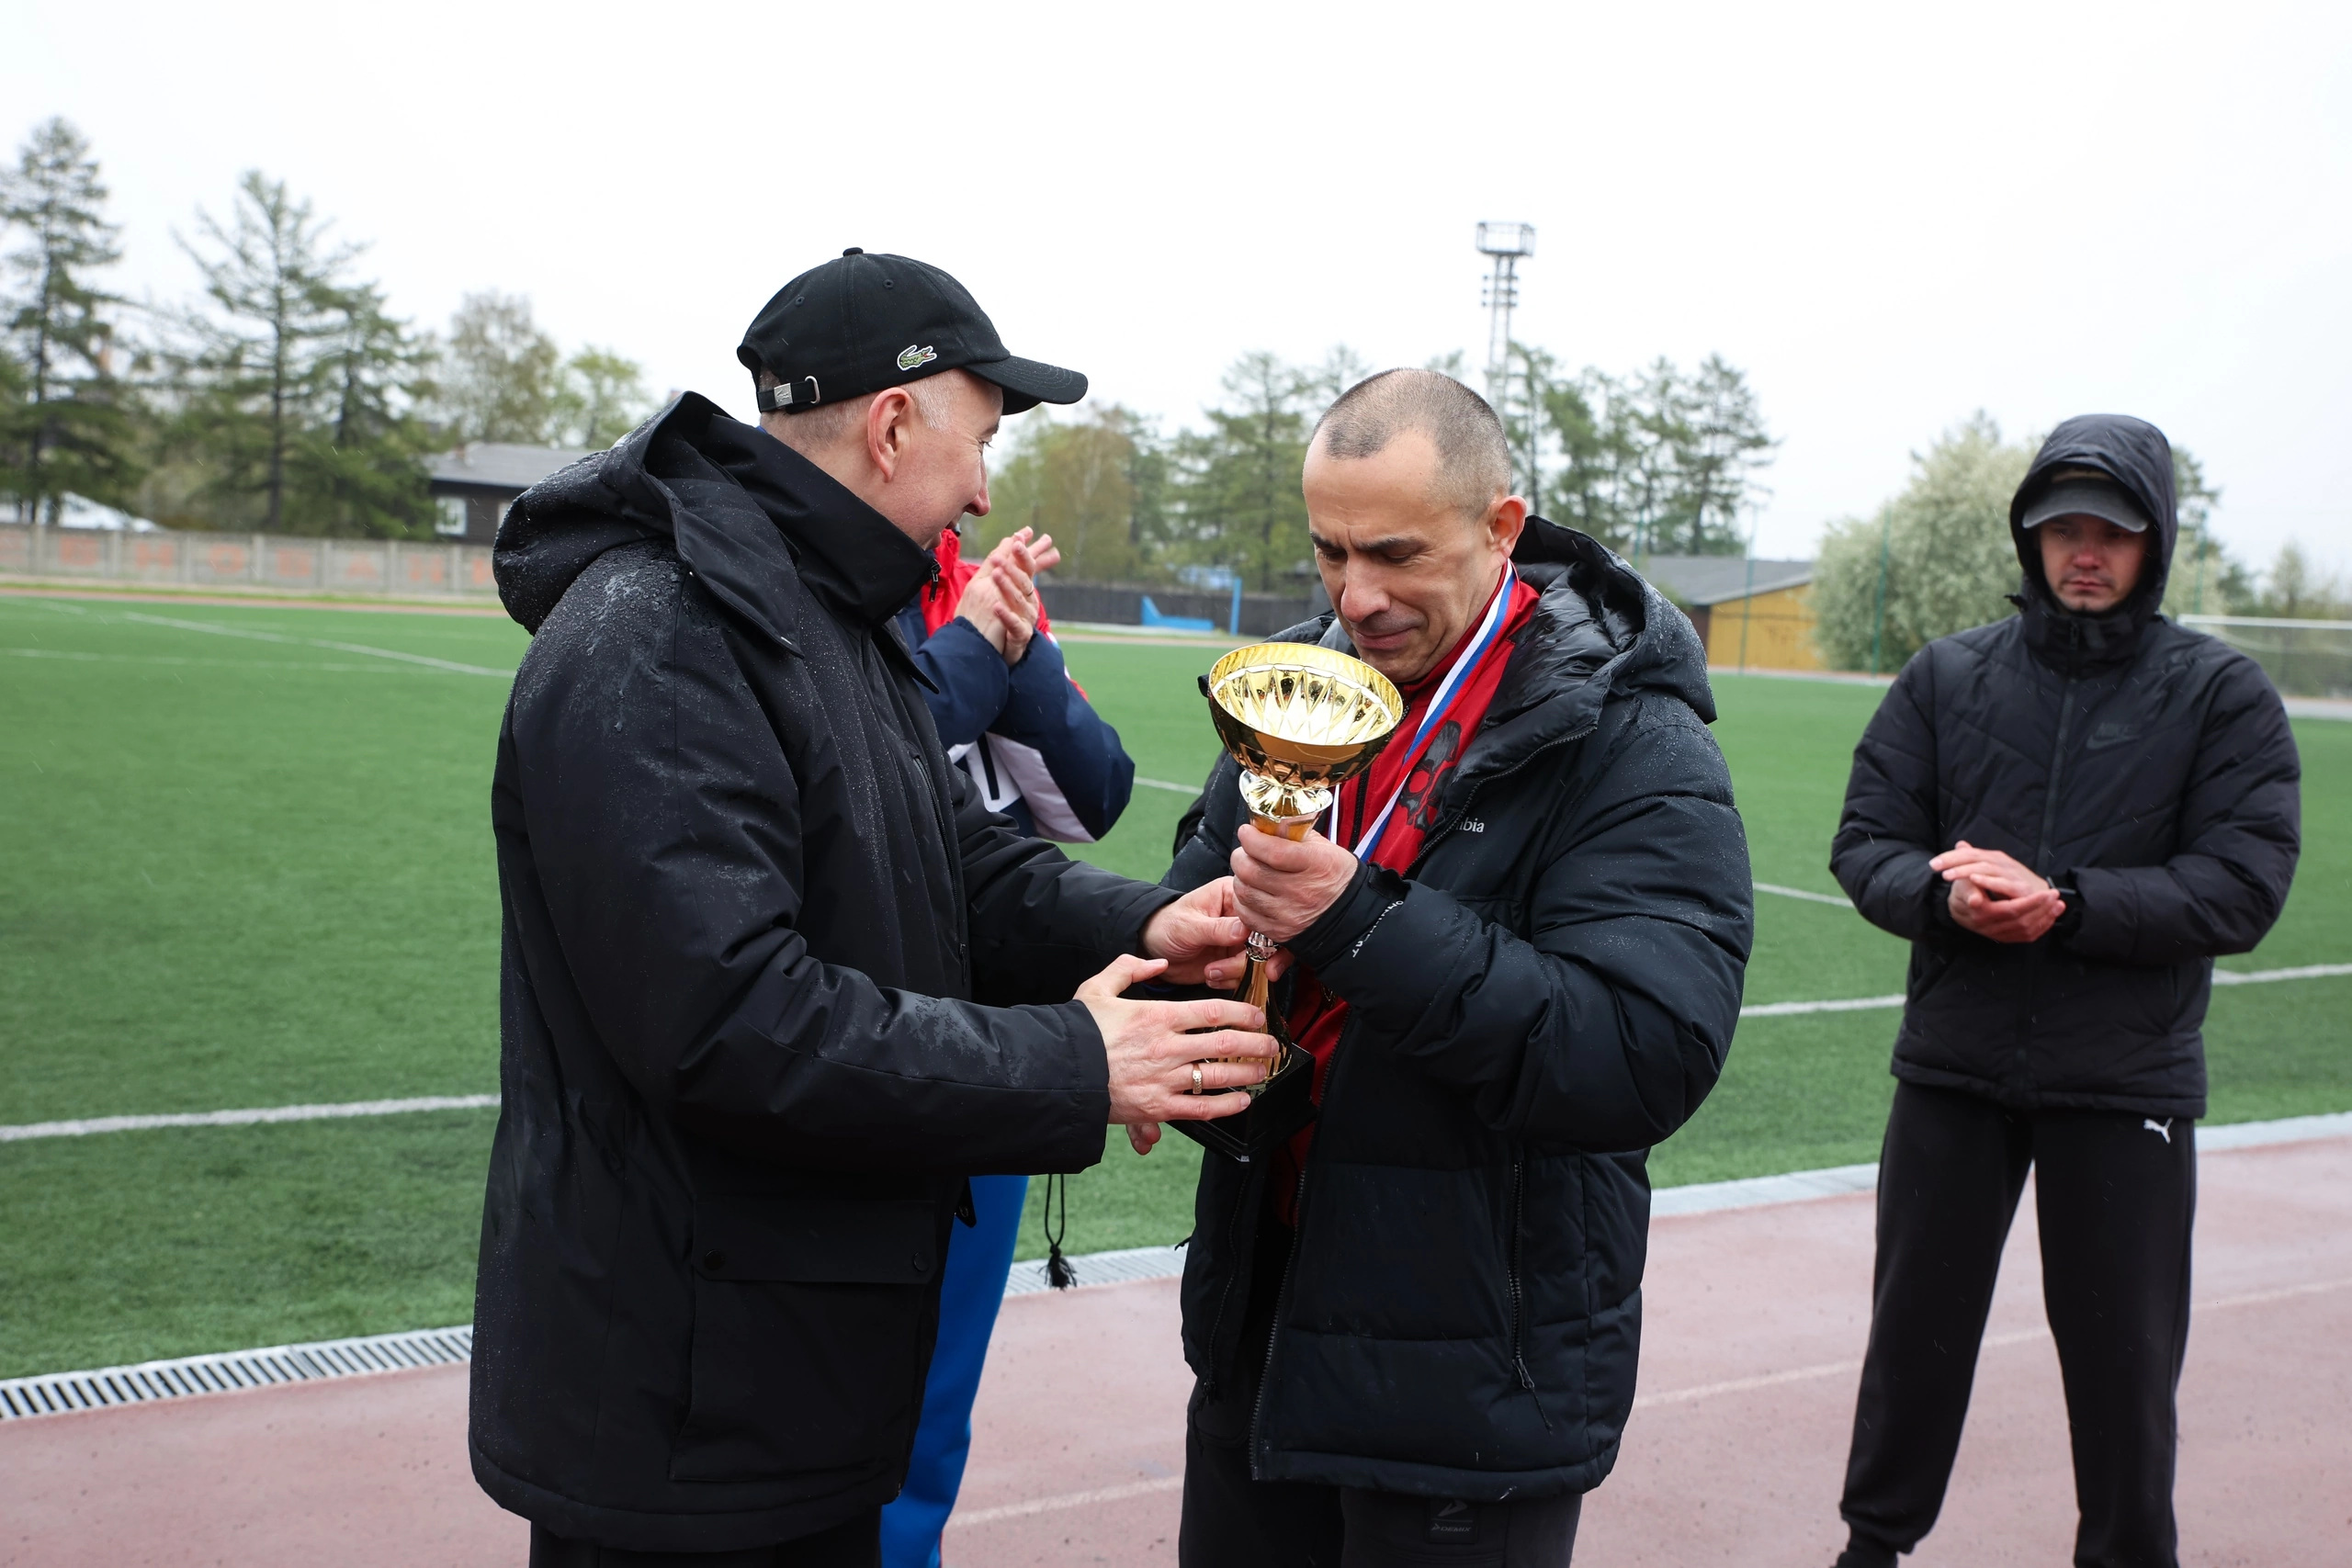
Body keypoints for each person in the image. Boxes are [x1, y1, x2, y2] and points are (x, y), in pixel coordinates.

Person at [469, 248, 1279, 1567]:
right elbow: (731, 1020)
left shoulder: (821, 610)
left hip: (783, 1376)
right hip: (690, 1413)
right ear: (894, 426)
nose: (984, 489)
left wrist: (1141, 926)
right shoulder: (668, 630)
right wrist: (1077, 1063)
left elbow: (944, 853)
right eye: (982, 440)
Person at [1160, 368, 1754, 1567]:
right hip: (1261, 1331)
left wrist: (1357, 923)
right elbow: (1192, 896)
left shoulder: (1630, 737)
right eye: (1329, 550)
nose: (1356, 596)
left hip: (1474, 1382)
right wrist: (1186, 975)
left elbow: (1640, 1052)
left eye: (1395, 554)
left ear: (1500, 527)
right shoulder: (1298, 687)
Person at [1826, 413, 2301, 1568]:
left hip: (2124, 1083)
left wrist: (2068, 904)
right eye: (2062, 529)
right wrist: (1946, 899)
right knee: (1911, 1344)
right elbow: (1866, 843)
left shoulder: (2221, 694)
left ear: (2155, 542)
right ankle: (1871, 1550)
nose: (2084, 552)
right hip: (1953, 1070)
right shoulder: (1945, 676)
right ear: (2029, 537)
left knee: (2124, 1368)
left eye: (2112, 532)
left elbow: (2240, 886)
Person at [879, 520, 1136, 1568]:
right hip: (866, 1054)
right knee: (835, 1408)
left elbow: (1096, 796)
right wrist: (969, 652)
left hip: (997, 1055)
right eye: (975, 446)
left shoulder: (977, 588)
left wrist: (1021, 655)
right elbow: (861, 768)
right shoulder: (817, 588)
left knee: (935, 1405)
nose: (983, 492)